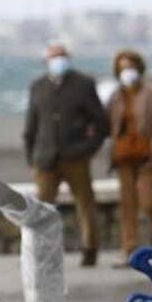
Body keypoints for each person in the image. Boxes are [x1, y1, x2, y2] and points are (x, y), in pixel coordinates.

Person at [23, 43, 110, 267]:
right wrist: (31, 157)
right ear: (46, 61)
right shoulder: (38, 86)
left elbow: (101, 123)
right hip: (45, 159)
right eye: (53, 57)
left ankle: (90, 249)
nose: (58, 60)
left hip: (76, 158)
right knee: (42, 210)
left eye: (62, 56)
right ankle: (40, 254)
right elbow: (31, 125)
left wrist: (88, 149)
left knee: (85, 204)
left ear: (69, 59)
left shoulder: (84, 84)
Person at [107, 49, 152, 263]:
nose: (126, 72)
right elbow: (107, 122)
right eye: (122, 68)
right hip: (124, 156)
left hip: (149, 155)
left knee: (148, 201)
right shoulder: (116, 97)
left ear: (139, 69)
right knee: (127, 205)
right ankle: (128, 249)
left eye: (130, 67)